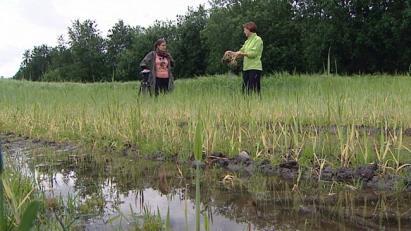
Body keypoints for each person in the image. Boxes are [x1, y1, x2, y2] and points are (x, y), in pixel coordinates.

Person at [228, 22, 263, 95]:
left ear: (249, 29)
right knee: (245, 91)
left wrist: (241, 53)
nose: (244, 32)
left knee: (254, 90)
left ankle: (258, 105)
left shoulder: (258, 39)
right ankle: (247, 105)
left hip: (255, 68)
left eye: (244, 30)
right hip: (246, 69)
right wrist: (231, 53)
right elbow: (241, 52)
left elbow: (253, 54)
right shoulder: (247, 41)